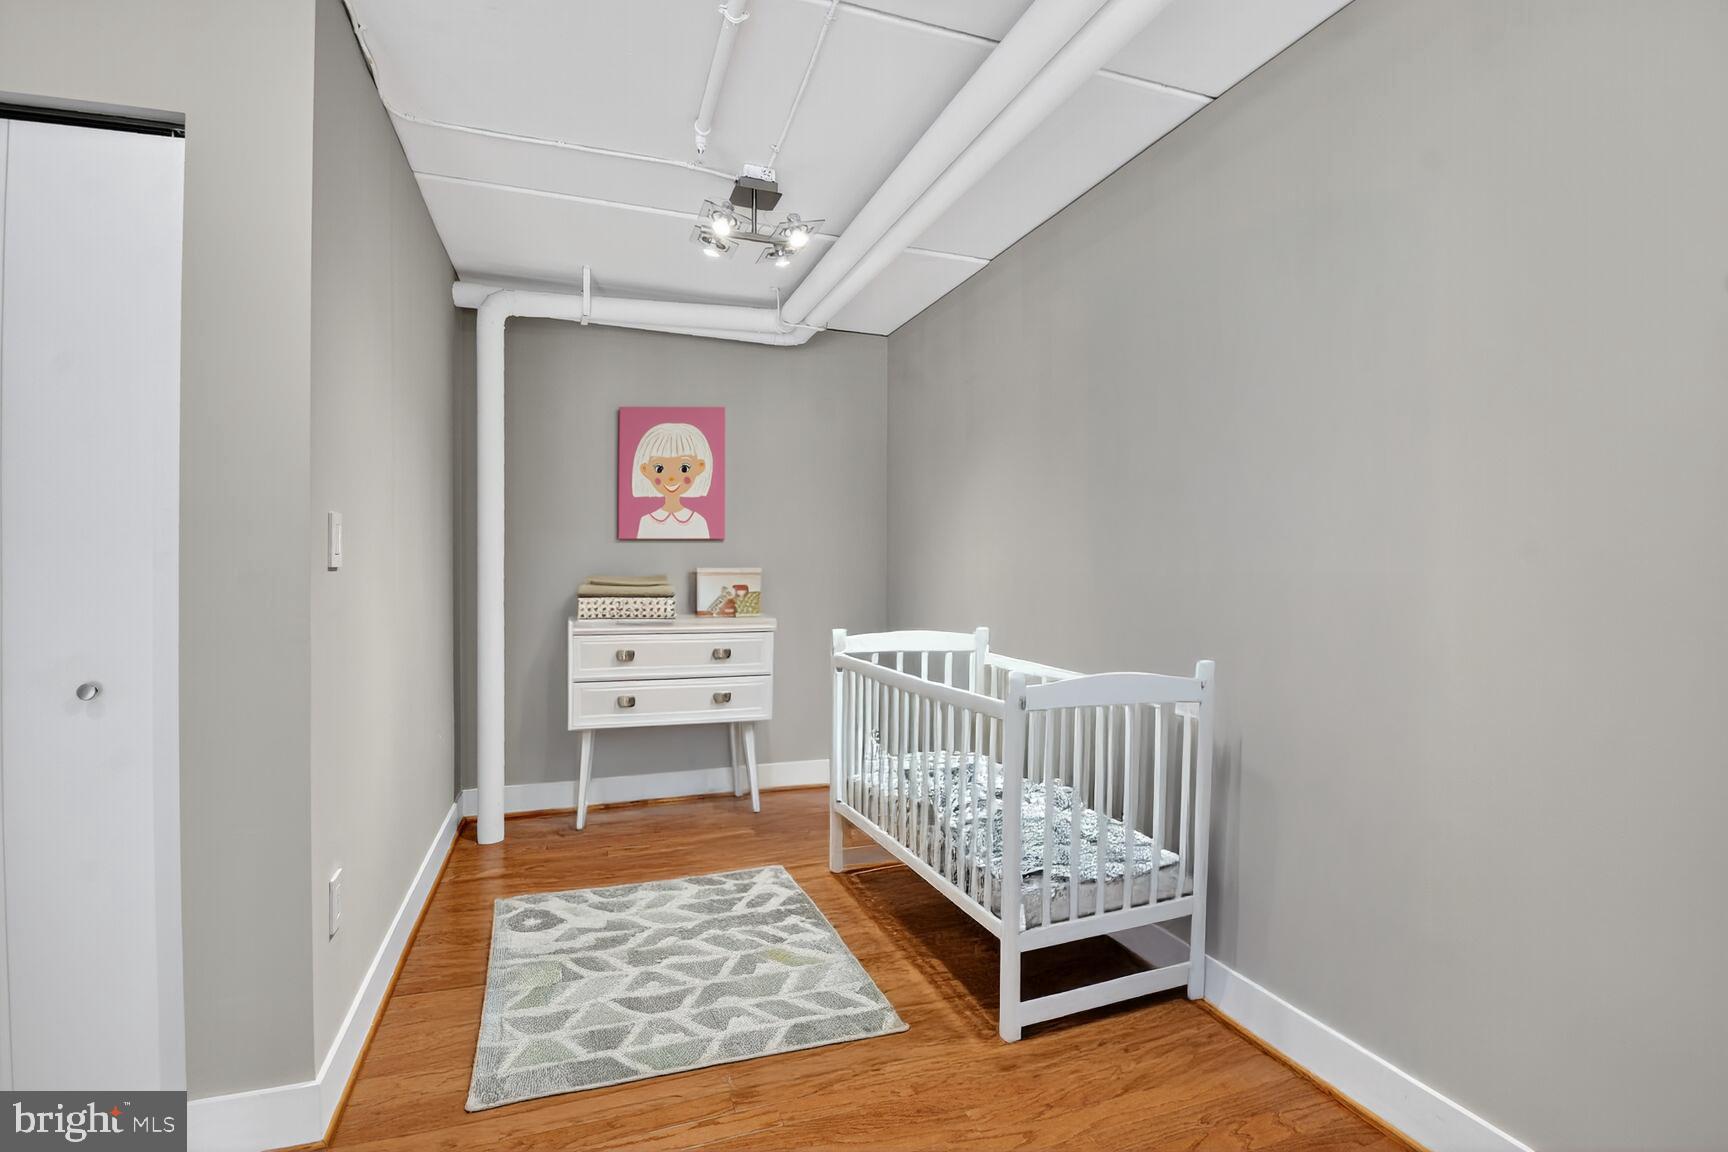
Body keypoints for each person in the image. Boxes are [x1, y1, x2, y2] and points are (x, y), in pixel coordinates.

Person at [631, 421, 713, 539]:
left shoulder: (699, 522)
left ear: (699, 467)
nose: (671, 478)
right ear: (645, 470)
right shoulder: (646, 522)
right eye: (659, 468)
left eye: (684, 468)